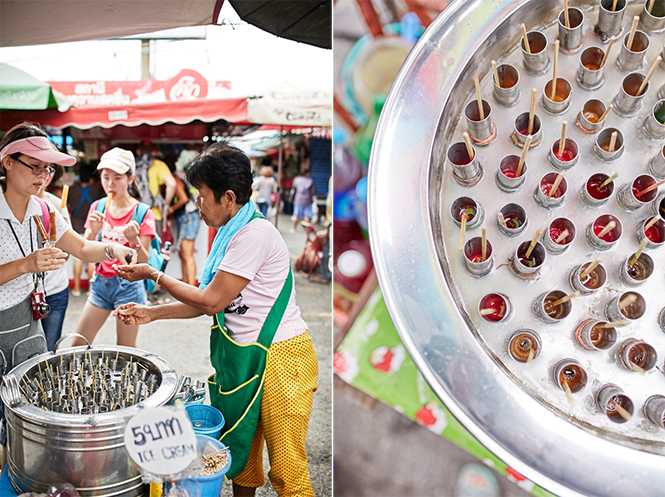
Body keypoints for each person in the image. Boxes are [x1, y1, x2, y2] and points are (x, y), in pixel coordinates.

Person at [113, 144, 318, 497]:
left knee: (287, 469)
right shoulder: (229, 233)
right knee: (243, 457)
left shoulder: (254, 234)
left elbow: (210, 301)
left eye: (202, 195)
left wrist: (154, 275)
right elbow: (210, 299)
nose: (197, 204)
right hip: (247, 359)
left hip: (282, 357)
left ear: (227, 197)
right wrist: (152, 313)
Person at [0, 122, 136, 452]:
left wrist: (111, 249)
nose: (41, 175)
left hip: (29, 325)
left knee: (25, 408)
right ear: (7, 162)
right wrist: (26, 265)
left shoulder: (44, 210)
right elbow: (26, 265)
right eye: (33, 166)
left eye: (46, 169)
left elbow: (81, 247)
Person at [71, 148, 155, 349]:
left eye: (117, 178)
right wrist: (93, 231)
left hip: (129, 288)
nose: (110, 184)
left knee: (124, 350)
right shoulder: (98, 207)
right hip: (100, 285)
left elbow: (145, 262)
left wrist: (134, 241)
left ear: (130, 179)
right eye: (105, 177)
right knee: (77, 345)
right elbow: (86, 247)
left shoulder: (142, 213)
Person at [37, 163, 72, 350]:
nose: (43, 176)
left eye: (49, 170)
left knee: (50, 348)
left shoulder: (58, 205)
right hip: (24, 292)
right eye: (38, 167)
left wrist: (59, 237)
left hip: (55, 289)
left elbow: (66, 255)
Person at [67, 160, 104, 296]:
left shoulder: (71, 190)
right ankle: (90, 290)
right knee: (91, 258)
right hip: (91, 226)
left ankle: (76, 289)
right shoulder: (96, 189)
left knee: (78, 258)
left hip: (76, 227)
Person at [136, 142, 176, 236]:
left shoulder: (133, 165)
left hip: (135, 213)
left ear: (138, 151)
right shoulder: (159, 165)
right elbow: (172, 184)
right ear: (154, 152)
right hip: (153, 214)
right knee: (153, 248)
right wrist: (166, 204)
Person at [168, 171, 200, 286]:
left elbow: (183, 199)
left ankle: (191, 291)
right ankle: (187, 288)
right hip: (187, 217)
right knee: (184, 254)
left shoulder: (175, 180)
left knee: (187, 255)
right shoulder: (178, 179)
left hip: (188, 217)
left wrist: (169, 209)